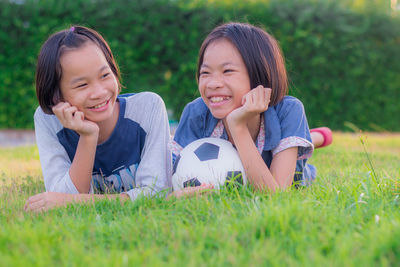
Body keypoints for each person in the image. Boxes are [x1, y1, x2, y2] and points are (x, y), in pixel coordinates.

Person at [170, 22, 332, 196]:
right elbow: (168, 178)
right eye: (205, 73)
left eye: (227, 71)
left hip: (284, 168)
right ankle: (313, 136)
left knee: (294, 157)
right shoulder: (196, 113)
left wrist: (237, 126)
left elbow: (275, 195)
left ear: (260, 74)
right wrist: (174, 195)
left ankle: (313, 138)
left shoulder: (288, 110)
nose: (212, 83)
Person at [25, 26, 171, 212]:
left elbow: (157, 193)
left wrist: (80, 202)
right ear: (56, 96)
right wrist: (88, 136)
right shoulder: (48, 120)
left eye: (104, 75)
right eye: (82, 85)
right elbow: (59, 198)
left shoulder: (148, 107)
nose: (100, 92)